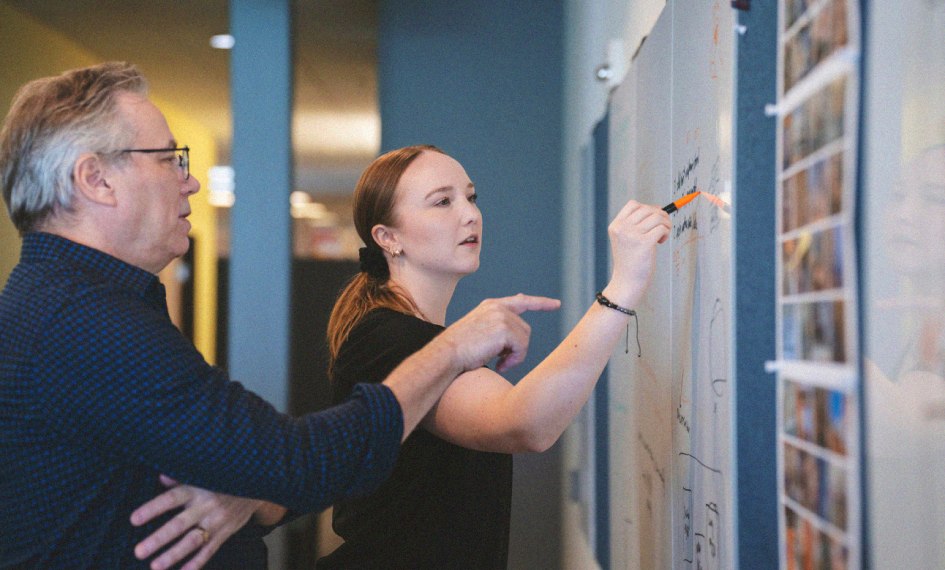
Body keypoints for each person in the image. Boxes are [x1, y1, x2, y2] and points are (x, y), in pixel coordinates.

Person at [0, 62, 558, 569]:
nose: (189, 179)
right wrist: (452, 349)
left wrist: (250, 483)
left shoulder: (78, 305)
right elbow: (299, 461)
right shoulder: (86, 322)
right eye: (170, 159)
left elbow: (264, 464)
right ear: (95, 179)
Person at [310, 144, 671, 567]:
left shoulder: (414, 335)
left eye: (471, 196)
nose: (470, 214)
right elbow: (526, 424)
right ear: (388, 238)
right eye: (443, 201)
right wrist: (623, 286)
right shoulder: (386, 338)